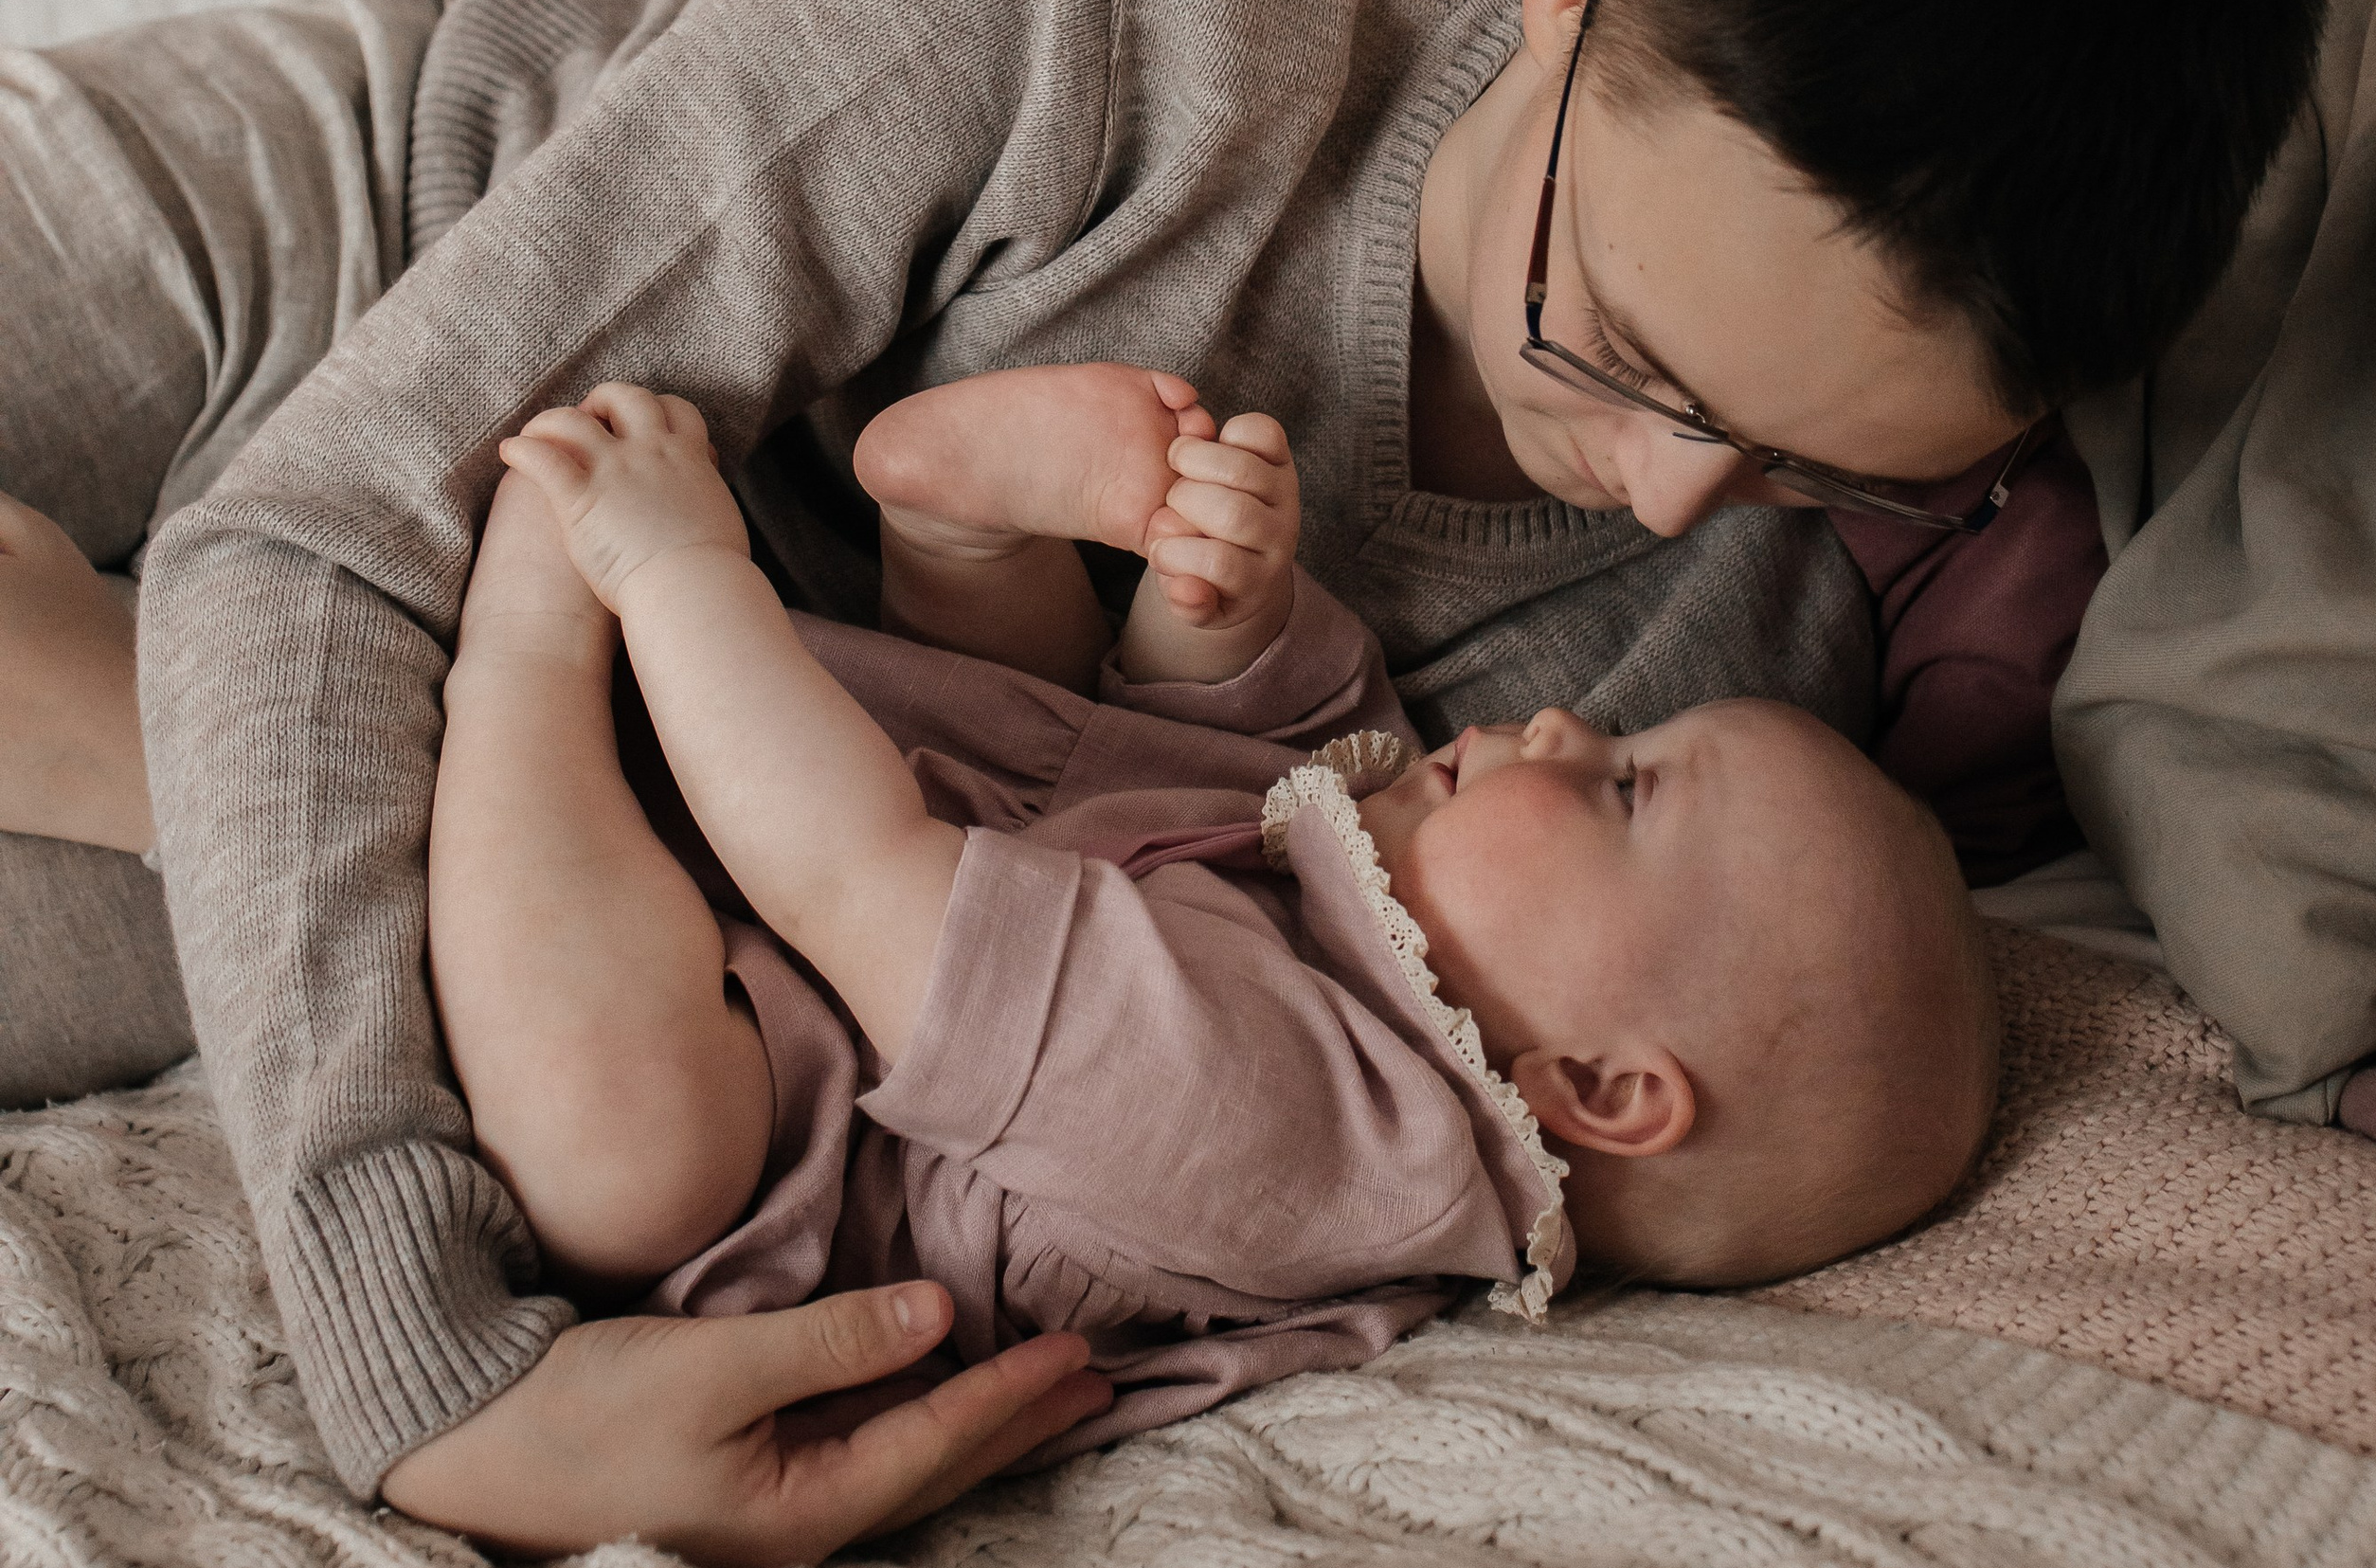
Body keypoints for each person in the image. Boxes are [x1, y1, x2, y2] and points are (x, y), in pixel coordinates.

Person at [0, 0, 2319, 1564]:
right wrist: (432, 1382)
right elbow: (320, 528)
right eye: (1611, 345)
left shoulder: (1710, 677)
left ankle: (134, 705)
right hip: (366, 232)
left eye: (1821, 462)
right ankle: (148, 695)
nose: (1671, 493)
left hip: (663, 740)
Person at [429, 355, 1996, 1403]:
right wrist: (1214, 608)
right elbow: (1257, 752)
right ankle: (960, 537)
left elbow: (856, 877)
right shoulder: (1404, 919)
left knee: (625, 1158)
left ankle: (522, 652)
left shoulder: (1304, 1139)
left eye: (1634, 787)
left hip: (778, 1135)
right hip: (860, 849)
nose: (1578, 721)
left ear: (1598, 1083)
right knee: (1084, 748)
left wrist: (673, 571)